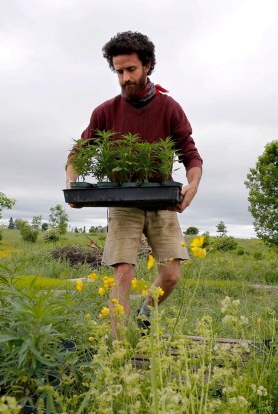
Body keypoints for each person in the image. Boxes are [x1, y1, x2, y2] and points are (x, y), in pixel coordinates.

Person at [65, 31, 203, 338]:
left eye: (131, 70)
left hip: (161, 201)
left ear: (148, 67)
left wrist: (191, 187)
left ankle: (144, 315)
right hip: (123, 202)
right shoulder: (106, 111)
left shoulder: (169, 108)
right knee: (123, 272)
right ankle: (118, 349)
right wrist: (72, 183)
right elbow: (78, 153)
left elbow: (191, 156)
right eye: (119, 72)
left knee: (170, 275)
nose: (125, 78)